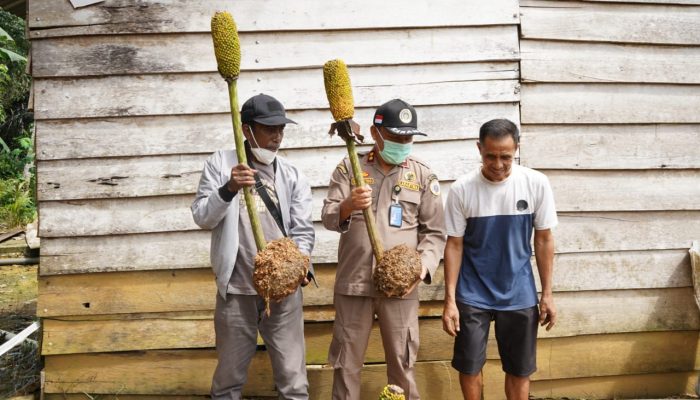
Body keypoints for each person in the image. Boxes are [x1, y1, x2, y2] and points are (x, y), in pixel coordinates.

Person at [191, 93, 315, 400]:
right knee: (229, 381)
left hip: (284, 293)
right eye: (269, 129)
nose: (277, 137)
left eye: (281, 129)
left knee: (294, 380)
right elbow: (202, 216)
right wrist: (229, 188)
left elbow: (303, 231)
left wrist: (298, 266)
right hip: (237, 291)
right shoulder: (221, 164)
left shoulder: (292, 173)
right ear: (246, 129)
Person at [322, 99, 446, 400]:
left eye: (408, 137)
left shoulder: (422, 175)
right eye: (396, 136)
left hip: (401, 289)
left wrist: (421, 268)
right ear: (376, 133)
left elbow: (435, 233)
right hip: (354, 283)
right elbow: (328, 216)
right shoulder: (349, 167)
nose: (403, 143)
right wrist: (349, 205)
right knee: (346, 363)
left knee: (402, 363)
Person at [441, 119, 557, 400]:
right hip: (472, 293)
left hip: (518, 291)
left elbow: (543, 240)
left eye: (506, 156)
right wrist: (450, 300)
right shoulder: (462, 189)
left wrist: (548, 294)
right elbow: (454, 245)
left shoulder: (536, 183)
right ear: (479, 149)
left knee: (519, 369)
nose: (497, 163)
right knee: (469, 366)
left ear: (516, 149)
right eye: (490, 155)